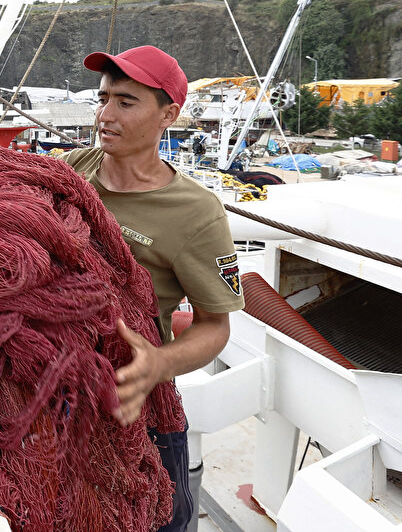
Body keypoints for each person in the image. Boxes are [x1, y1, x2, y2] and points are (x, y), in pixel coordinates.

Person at [60, 45, 245, 532]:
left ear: (168, 115)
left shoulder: (197, 213)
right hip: (58, 399)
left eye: (126, 102)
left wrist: (158, 365)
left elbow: (215, 326)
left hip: (138, 411)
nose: (105, 115)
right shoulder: (74, 169)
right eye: (103, 99)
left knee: (158, 518)